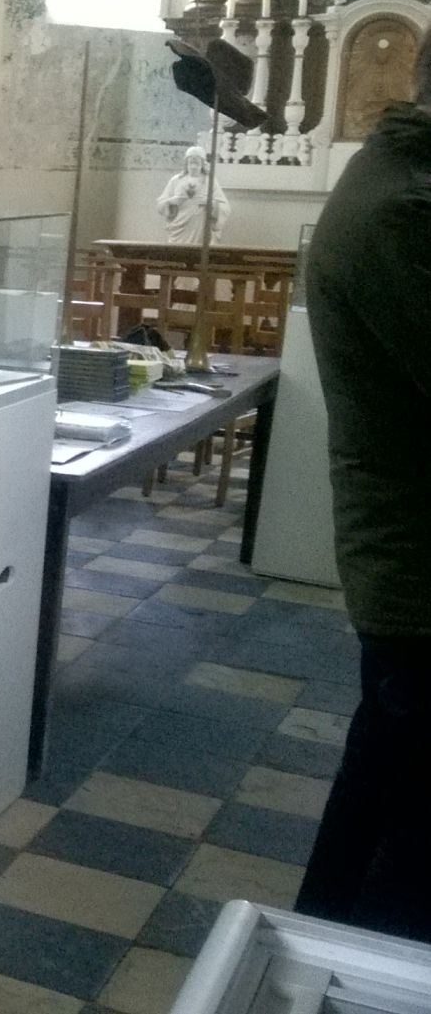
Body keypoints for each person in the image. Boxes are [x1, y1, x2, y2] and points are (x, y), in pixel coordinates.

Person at [294, 52, 431, 944]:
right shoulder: (403, 209)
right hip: (418, 573)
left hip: (408, 564)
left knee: (382, 800)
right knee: (406, 858)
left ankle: (314, 967)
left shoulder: (401, 185)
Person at [156, 145, 231, 245]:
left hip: (201, 227)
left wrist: (210, 202)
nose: (194, 162)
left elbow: (225, 207)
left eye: (197, 159)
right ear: (186, 162)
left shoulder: (209, 181)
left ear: (203, 163)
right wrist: (172, 201)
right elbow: (161, 204)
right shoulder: (176, 180)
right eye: (191, 159)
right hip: (179, 228)